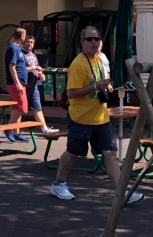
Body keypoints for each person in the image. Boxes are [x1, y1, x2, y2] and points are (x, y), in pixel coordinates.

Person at [50, 26, 143, 204]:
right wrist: (95, 87)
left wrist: (106, 85)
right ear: (82, 42)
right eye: (90, 39)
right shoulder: (78, 65)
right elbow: (71, 93)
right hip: (81, 118)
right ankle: (58, 184)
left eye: (97, 39)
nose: (94, 42)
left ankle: (122, 193)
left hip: (101, 117)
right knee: (73, 153)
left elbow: (100, 81)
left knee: (110, 153)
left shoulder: (98, 60)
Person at [22, 35, 58, 134]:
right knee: (19, 109)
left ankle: (45, 129)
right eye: (27, 42)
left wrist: (41, 75)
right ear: (23, 43)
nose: (29, 44)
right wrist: (34, 68)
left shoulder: (33, 56)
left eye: (31, 42)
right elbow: (20, 70)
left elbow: (38, 69)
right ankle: (11, 130)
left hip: (34, 86)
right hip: (23, 86)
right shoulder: (20, 54)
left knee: (37, 107)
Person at [3, 28, 31, 143]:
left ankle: (16, 132)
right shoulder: (13, 48)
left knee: (18, 107)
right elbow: (12, 66)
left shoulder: (16, 48)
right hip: (16, 84)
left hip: (21, 83)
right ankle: (8, 129)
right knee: (22, 107)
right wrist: (17, 83)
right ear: (22, 37)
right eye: (25, 36)